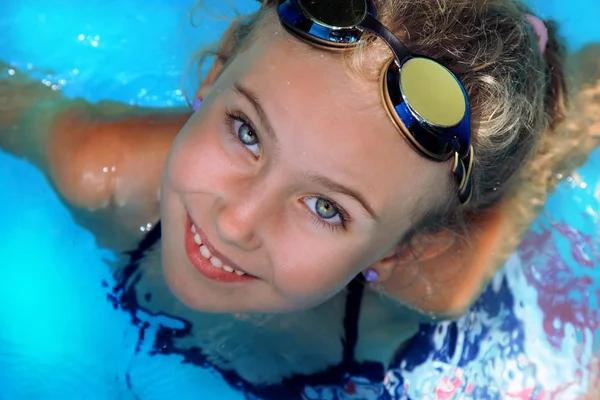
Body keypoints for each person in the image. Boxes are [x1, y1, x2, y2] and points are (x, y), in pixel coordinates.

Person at [1, 0, 598, 397]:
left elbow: (575, 116)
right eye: (246, 132)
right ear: (215, 73)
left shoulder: (439, 282)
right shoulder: (100, 169)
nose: (236, 221)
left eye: (326, 207)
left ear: (403, 250)